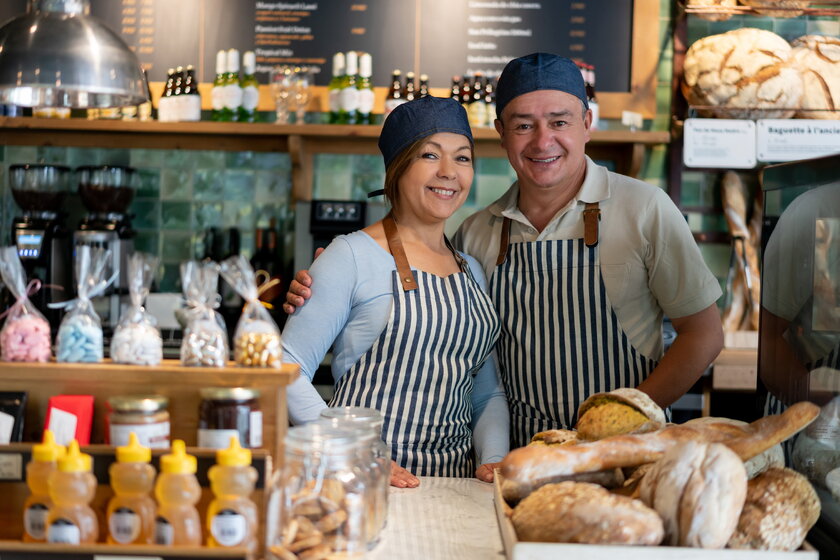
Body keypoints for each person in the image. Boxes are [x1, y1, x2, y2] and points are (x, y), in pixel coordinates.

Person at [286, 53, 723, 448]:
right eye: (523, 125)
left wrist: (619, 423)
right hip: (520, 458)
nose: (542, 141)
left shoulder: (645, 208)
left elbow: (704, 334)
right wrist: (327, 282)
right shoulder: (477, 234)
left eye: (560, 121)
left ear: (587, 124)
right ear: (501, 134)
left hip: (630, 449)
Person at [281, 96, 509, 488]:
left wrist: (494, 460)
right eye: (429, 155)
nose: (448, 172)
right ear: (398, 167)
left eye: (462, 158)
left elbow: (486, 392)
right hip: (363, 482)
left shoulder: (471, 269)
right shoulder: (349, 255)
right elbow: (285, 369)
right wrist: (352, 453)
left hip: (454, 491)